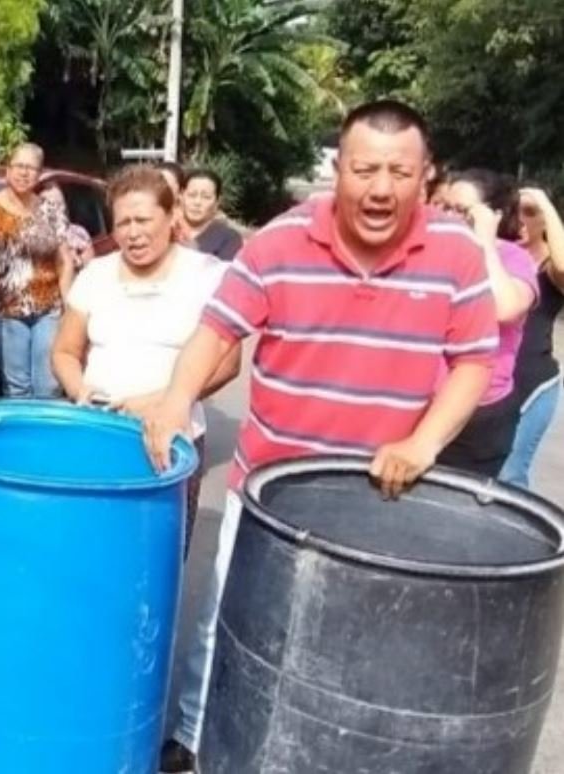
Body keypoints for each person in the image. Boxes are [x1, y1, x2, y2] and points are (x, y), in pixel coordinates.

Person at [141, 101, 498, 773]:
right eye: (364, 169)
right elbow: (215, 331)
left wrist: (422, 443)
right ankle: (191, 739)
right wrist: (171, 401)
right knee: (225, 624)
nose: (380, 188)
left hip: (379, 497)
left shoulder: (452, 252)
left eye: (399, 171)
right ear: (338, 169)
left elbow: (474, 360)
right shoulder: (278, 242)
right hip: (267, 488)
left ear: (425, 176)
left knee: (360, 642)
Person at [51, 166, 240, 551]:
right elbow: (65, 351)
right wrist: (79, 390)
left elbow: (227, 361)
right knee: (94, 548)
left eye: (143, 220)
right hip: (99, 432)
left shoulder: (207, 275)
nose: (133, 233)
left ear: (172, 218)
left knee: (161, 554)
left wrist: (160, 401)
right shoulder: (96, 275)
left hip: (172, 438)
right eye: (122, 223)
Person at [436, 169, 538, 478]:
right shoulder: (433, 251)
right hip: (419, 405)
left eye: (463, 211)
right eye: (445, 206)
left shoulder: (512, 259)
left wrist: (484, 243)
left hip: (479, 416)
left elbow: (505, 308)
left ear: (493, 216)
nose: (450, 217)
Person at [0, 142, 74, 398]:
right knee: (16, 388)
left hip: (48, 309)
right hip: (6, 310)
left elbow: (64, 261)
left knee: (49, 385)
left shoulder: (50, 210)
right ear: (7, 170)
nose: (24, 173)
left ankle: (45, 436)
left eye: (31, 168)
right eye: (19, 166)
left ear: (39, 174)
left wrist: (69, 309)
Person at [503, 186, 564, 486]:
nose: (521, 220)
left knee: (509, 475)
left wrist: (544, 202)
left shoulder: (550, 267)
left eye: (530, 213)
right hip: (492, 381)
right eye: (515, 211)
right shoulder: (496, 254)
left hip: (533, 385)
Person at [181, 168, 244, 261]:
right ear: (181, 196)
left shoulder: (229, 238)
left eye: (206, 197)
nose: (197, 202)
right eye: (192, 195)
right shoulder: (167, 231)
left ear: (217, 202)